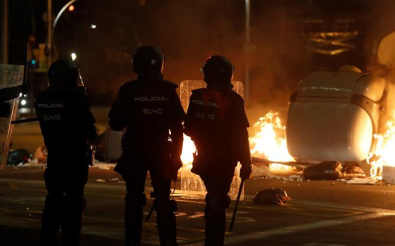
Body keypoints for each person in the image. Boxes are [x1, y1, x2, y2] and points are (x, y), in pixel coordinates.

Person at [109, 46, 184, 246]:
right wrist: (176, 158)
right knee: (164, 203)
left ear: (137, 65)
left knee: (133, 200)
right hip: (161, 153)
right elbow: (178, 130)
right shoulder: (168, 91)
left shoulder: (128, 90)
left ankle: (132, 241)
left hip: (135, 152)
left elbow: (115, 123)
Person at [184, 55, 252, 246]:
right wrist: (246, 163)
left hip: (204, 157)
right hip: (223, 159)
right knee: (216, 201)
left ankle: (211, 240)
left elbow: (188, 127)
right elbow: (241, 135)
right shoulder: (233, 100)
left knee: (213, 199)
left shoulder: (197, 97)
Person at [36, 59, 98, 246]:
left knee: (53, 200)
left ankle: (48, 238)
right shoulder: (76, 99)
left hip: (54, 159)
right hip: (75, 160)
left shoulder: (43, 100)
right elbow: (90, 130)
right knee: (74, 202)